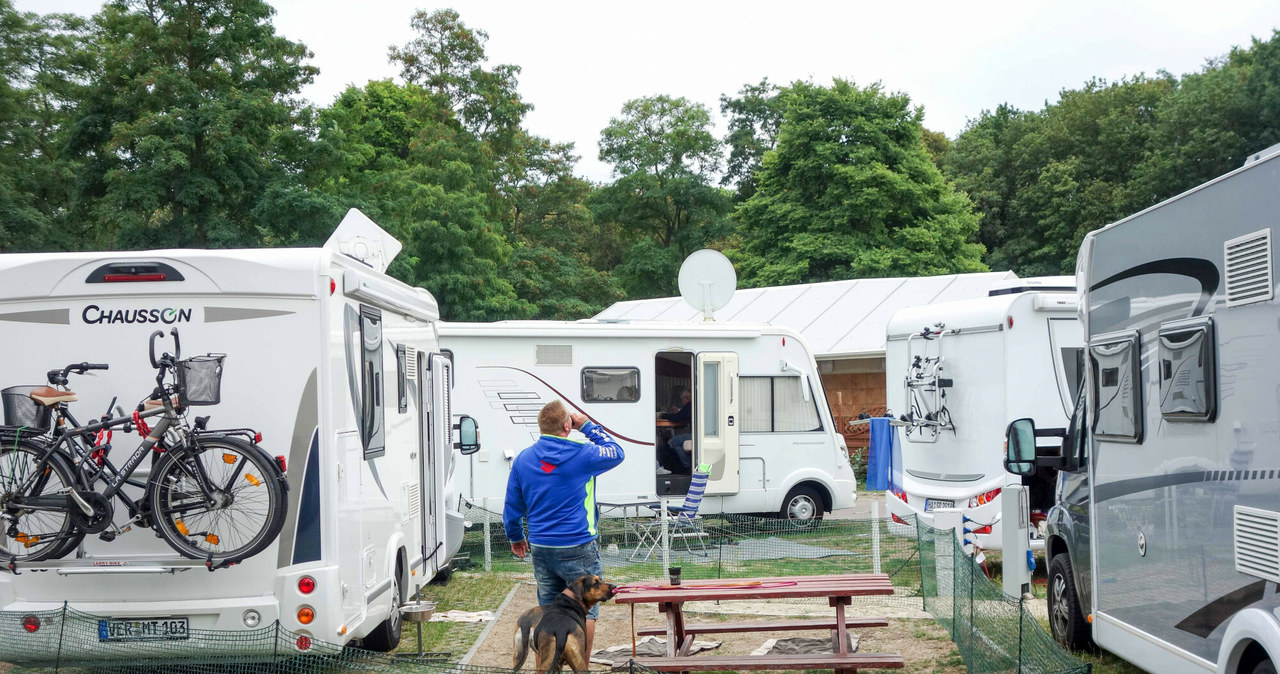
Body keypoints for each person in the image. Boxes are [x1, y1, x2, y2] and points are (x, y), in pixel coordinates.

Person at [503, 400, 625, 659]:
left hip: (541, 546)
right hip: (578, 545)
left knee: (548, 610)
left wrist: (516, 537)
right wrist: (588, 426)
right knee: (586, 609)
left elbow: (512, 506)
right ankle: (582, 666)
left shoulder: (524, 459)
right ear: (568, 425)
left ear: (541, 427)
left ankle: (546, 666)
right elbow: (616, 451)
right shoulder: (583, 454)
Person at [658, 388, 692, 473]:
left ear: (686, 399)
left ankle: (688, 466)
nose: (682, 402)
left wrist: (662, 415)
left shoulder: (690, 406)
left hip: (696, 435)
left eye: (682, 400)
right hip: (696, 434)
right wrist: (679, 411)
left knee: (674, 441)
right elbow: (682, 415)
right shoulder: (692, 406)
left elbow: (676, 418)